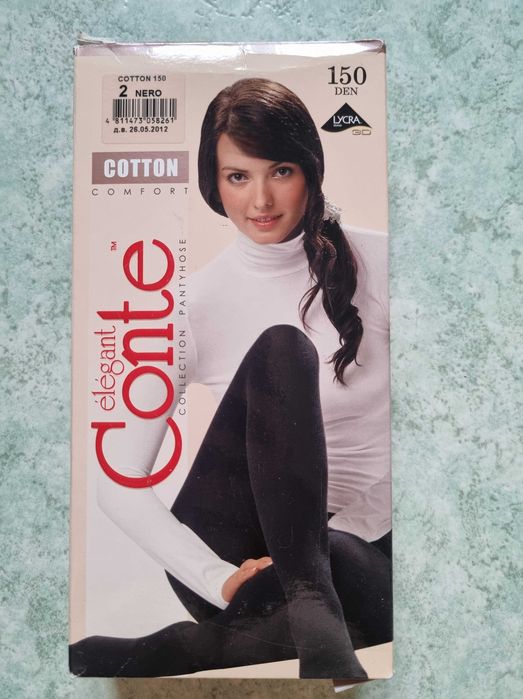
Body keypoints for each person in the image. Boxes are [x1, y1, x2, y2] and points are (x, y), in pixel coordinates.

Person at [70, 78, 392, 680]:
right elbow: (117, 480)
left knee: (350, 568)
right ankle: (309, 603)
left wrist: (332, 544)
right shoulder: (191, 305)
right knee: (281, 348)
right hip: (240, 560)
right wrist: (216, 578)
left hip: (360, 549)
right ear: (213, 184)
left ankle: (185, 649)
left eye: (281, 171)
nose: (261, 199)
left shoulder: (387, 262)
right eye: (238, 176)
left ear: (311, 171)